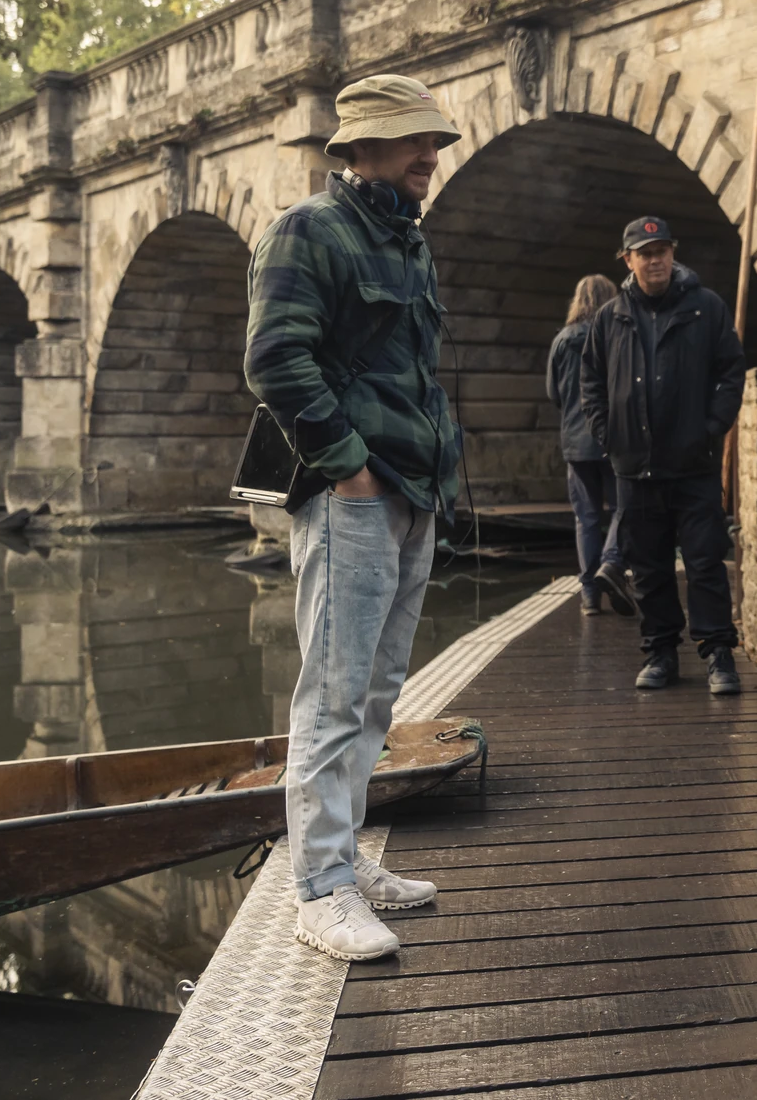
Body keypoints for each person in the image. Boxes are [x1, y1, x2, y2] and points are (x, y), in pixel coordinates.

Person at [245, 73, 463, 962]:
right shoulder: (307, 230)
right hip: (352, 498)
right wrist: (350, 471)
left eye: (435, 142)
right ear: (361, 148)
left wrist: (426, 482)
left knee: (375, 693)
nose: (431, 155)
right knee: (332, 697)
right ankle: (321, 890)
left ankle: (344, 854)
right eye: (415, 141)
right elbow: (274, 360)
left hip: (412, 494)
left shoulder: (410, 243)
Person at [578, 216, 747, 695]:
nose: (655, 260)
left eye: (662, 251)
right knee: (648, 568)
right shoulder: (610, 318)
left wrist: (712, 427)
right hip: (634, 467)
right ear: (627, 260)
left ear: (673, 254)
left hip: (693, 465)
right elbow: (589, 381)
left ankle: (718, 655)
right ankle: (660, 653)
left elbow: (730, 371)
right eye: (645, 253)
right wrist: (607, 434)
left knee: (705, 562)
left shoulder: (706, 308)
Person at [548, 274, 638, 617]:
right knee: (622, 508)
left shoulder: (562, 341)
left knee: (585, 517)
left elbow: (553, 394)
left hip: (574, 441)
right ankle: (611, 563)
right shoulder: (616, 335)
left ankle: (589, 595)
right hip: (613, 439)